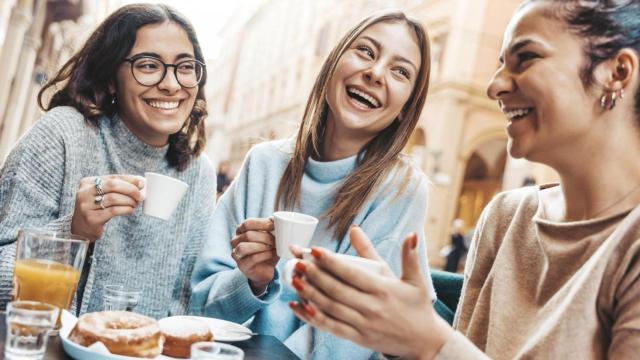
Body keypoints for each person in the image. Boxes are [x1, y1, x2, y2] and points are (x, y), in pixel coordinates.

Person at [288, 1, 640, 358]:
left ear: (617, 71)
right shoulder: (506, 215)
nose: (495, 86)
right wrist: (391, 333)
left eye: (527, 57)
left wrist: (427, 341)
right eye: (500, 63)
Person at [190, 11, 435, 359]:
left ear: (405, 108)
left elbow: (356, 340)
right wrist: (251, 282)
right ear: (333, 63)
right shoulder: (263, 163)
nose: (375, 73)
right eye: (366, 51)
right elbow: (201, 309)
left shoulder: (401, 189)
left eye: (400, 71)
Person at [0, 4, 216, 318]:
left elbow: (190, 304)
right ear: (112, 77)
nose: (171, 84)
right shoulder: (62, 135)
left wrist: (252, 279)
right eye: (148, 65)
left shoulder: (199, 172)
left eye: (185, 67)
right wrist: (73, 232)